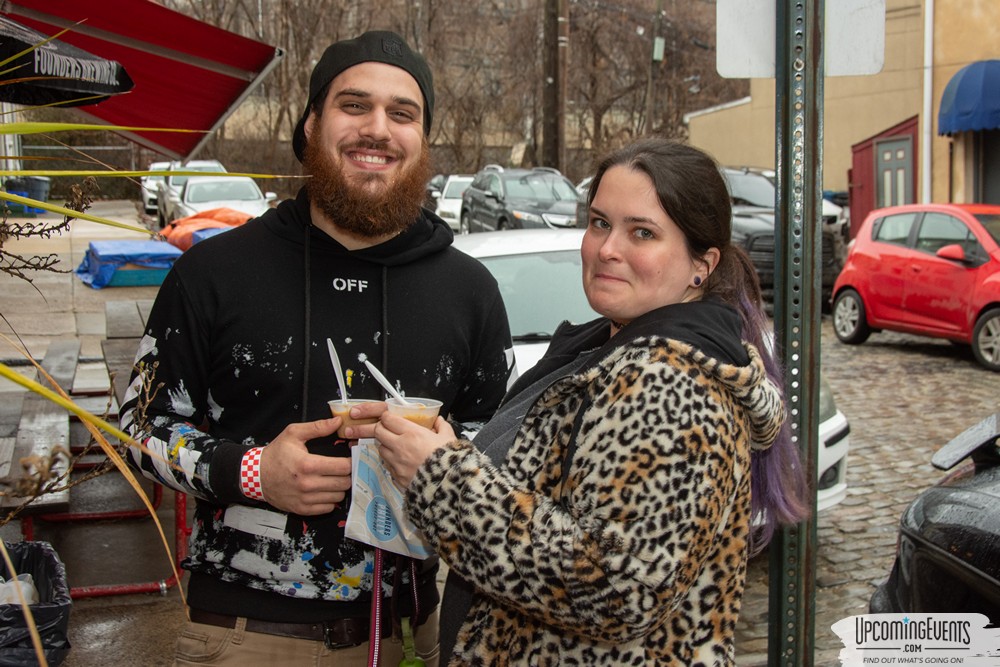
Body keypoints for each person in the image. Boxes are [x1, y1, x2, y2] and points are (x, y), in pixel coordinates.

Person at [120, 30, 514, 666]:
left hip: (426, 630)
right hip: (251, 635)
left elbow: (503, 448)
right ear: (311, 125)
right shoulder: (214, 272)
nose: (378, 129)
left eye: (402, 113)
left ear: (423, 142)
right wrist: (254, 473)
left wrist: (447, 457)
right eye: (354, 105)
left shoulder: (471, 290)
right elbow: (139, 429)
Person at [367, 137, 811, 665]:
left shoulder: (669, 383)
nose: (606, 249)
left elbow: (616, 589)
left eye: (641, 232)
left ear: (702, 264)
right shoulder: (610, 345)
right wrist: (447, 452)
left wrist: (441, 478)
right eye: (599, 222)